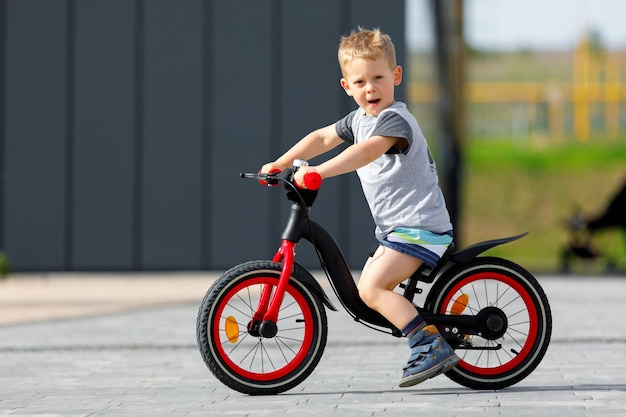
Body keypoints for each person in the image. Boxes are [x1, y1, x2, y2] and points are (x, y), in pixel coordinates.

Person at [261, 27, 459, 387]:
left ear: (396, 76)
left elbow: (366, 151)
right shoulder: (359, 120)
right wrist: (281, 162)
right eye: (361, 81)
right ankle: (419, 330)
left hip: (419, 227)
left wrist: (318, 171)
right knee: (368, 289)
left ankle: (428, 343)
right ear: (347, 87)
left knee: (371, 290)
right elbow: (321, 138)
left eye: (379, 78)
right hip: (397, 229)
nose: (371, 88)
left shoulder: (394, 120)